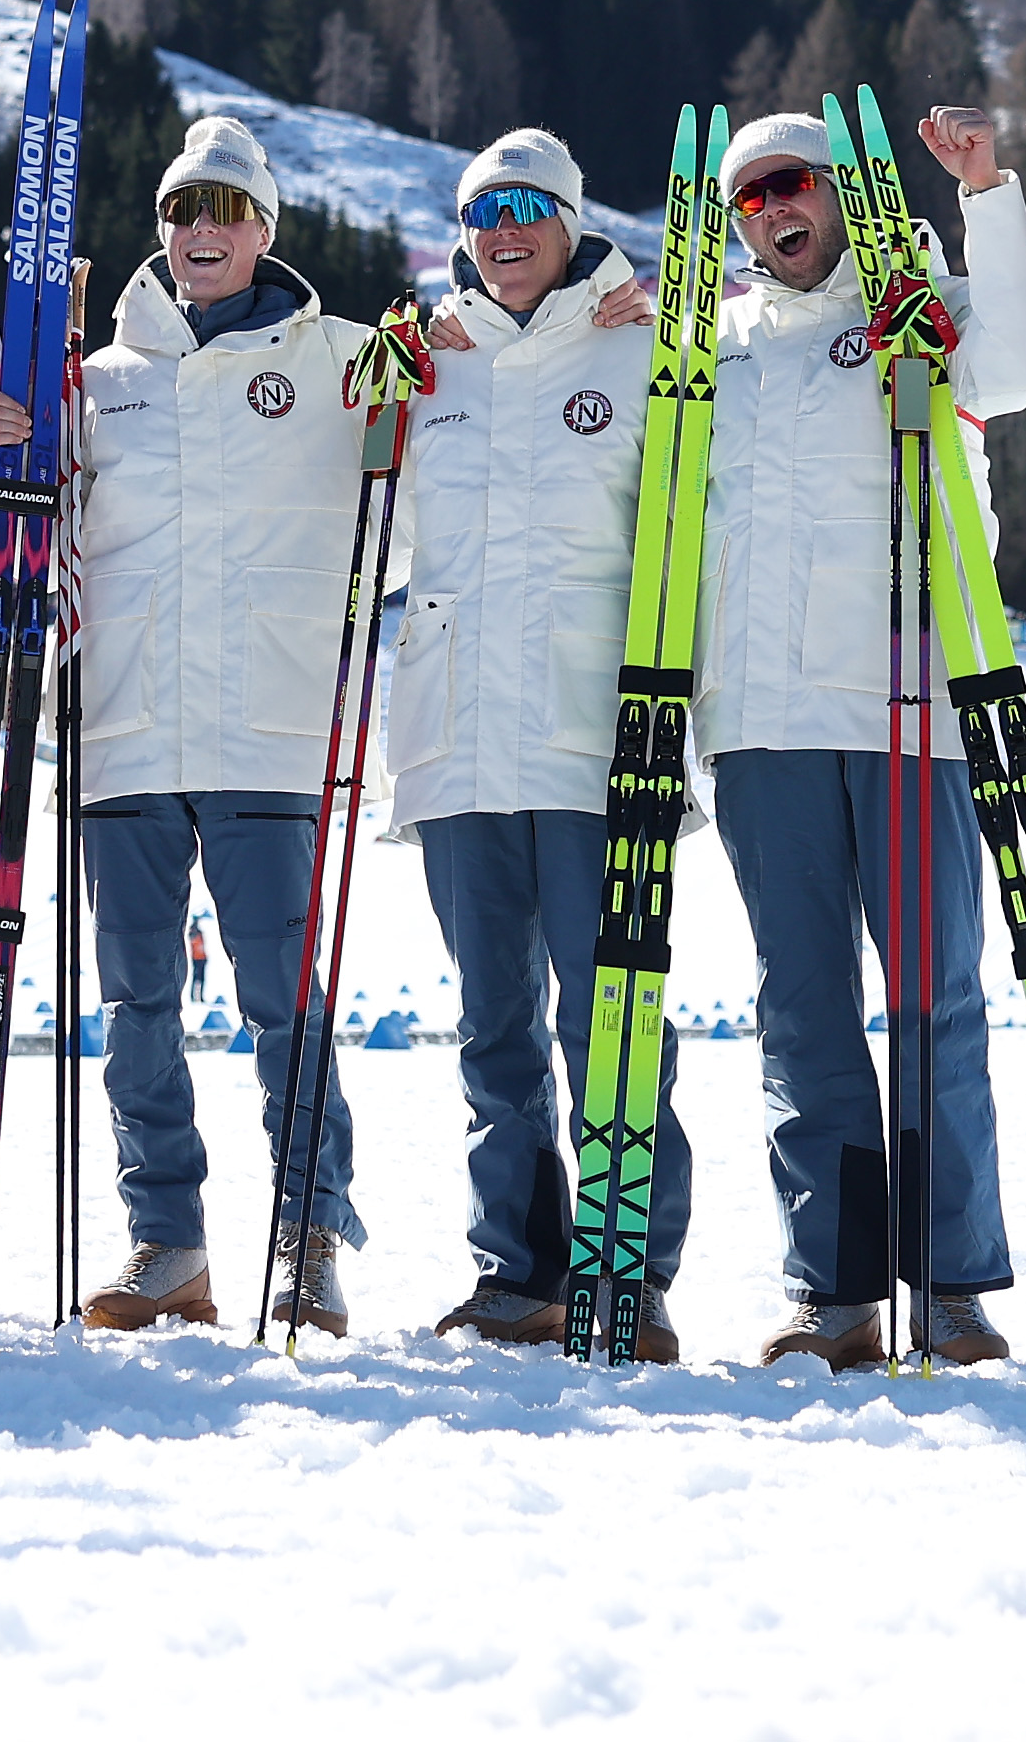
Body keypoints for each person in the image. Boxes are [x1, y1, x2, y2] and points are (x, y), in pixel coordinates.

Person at [0, 113, 399, 1336]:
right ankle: (166, 1240)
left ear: (265, 225)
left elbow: (452, 424)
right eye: (180, 208)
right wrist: (2, 439)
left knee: (283, 998)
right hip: (121, 731)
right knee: (135, 1005)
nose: (201, 228)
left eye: (225, 207)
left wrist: (617, 305)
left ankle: (307, 1230)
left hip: (271, 731)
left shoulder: (345, 355)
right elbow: (33, 514)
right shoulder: (96, 376)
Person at [700, 105, 1026, 1370]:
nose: (769, 211)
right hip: (759, 720)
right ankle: (835, 1287)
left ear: (841, 191)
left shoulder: (920, 301)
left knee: (934, 1002)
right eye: (746, 197)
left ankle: (950, 1278)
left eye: (788, 184)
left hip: (912, 705)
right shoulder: (708, 344)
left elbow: (1021, 366)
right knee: (800, 1012)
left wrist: (986, 191)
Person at [376, 126, 679, 1351]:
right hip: (455, 740)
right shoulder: (425, 359)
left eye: (527, 206)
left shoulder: (640, 335)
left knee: (613, 1017)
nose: (503, 228)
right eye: (481, 209)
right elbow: (361, 513)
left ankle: (630, 1269)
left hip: (591, 735)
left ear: (569, 217)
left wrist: (681, 305)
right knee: (492, 1023)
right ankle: (518, 1266)